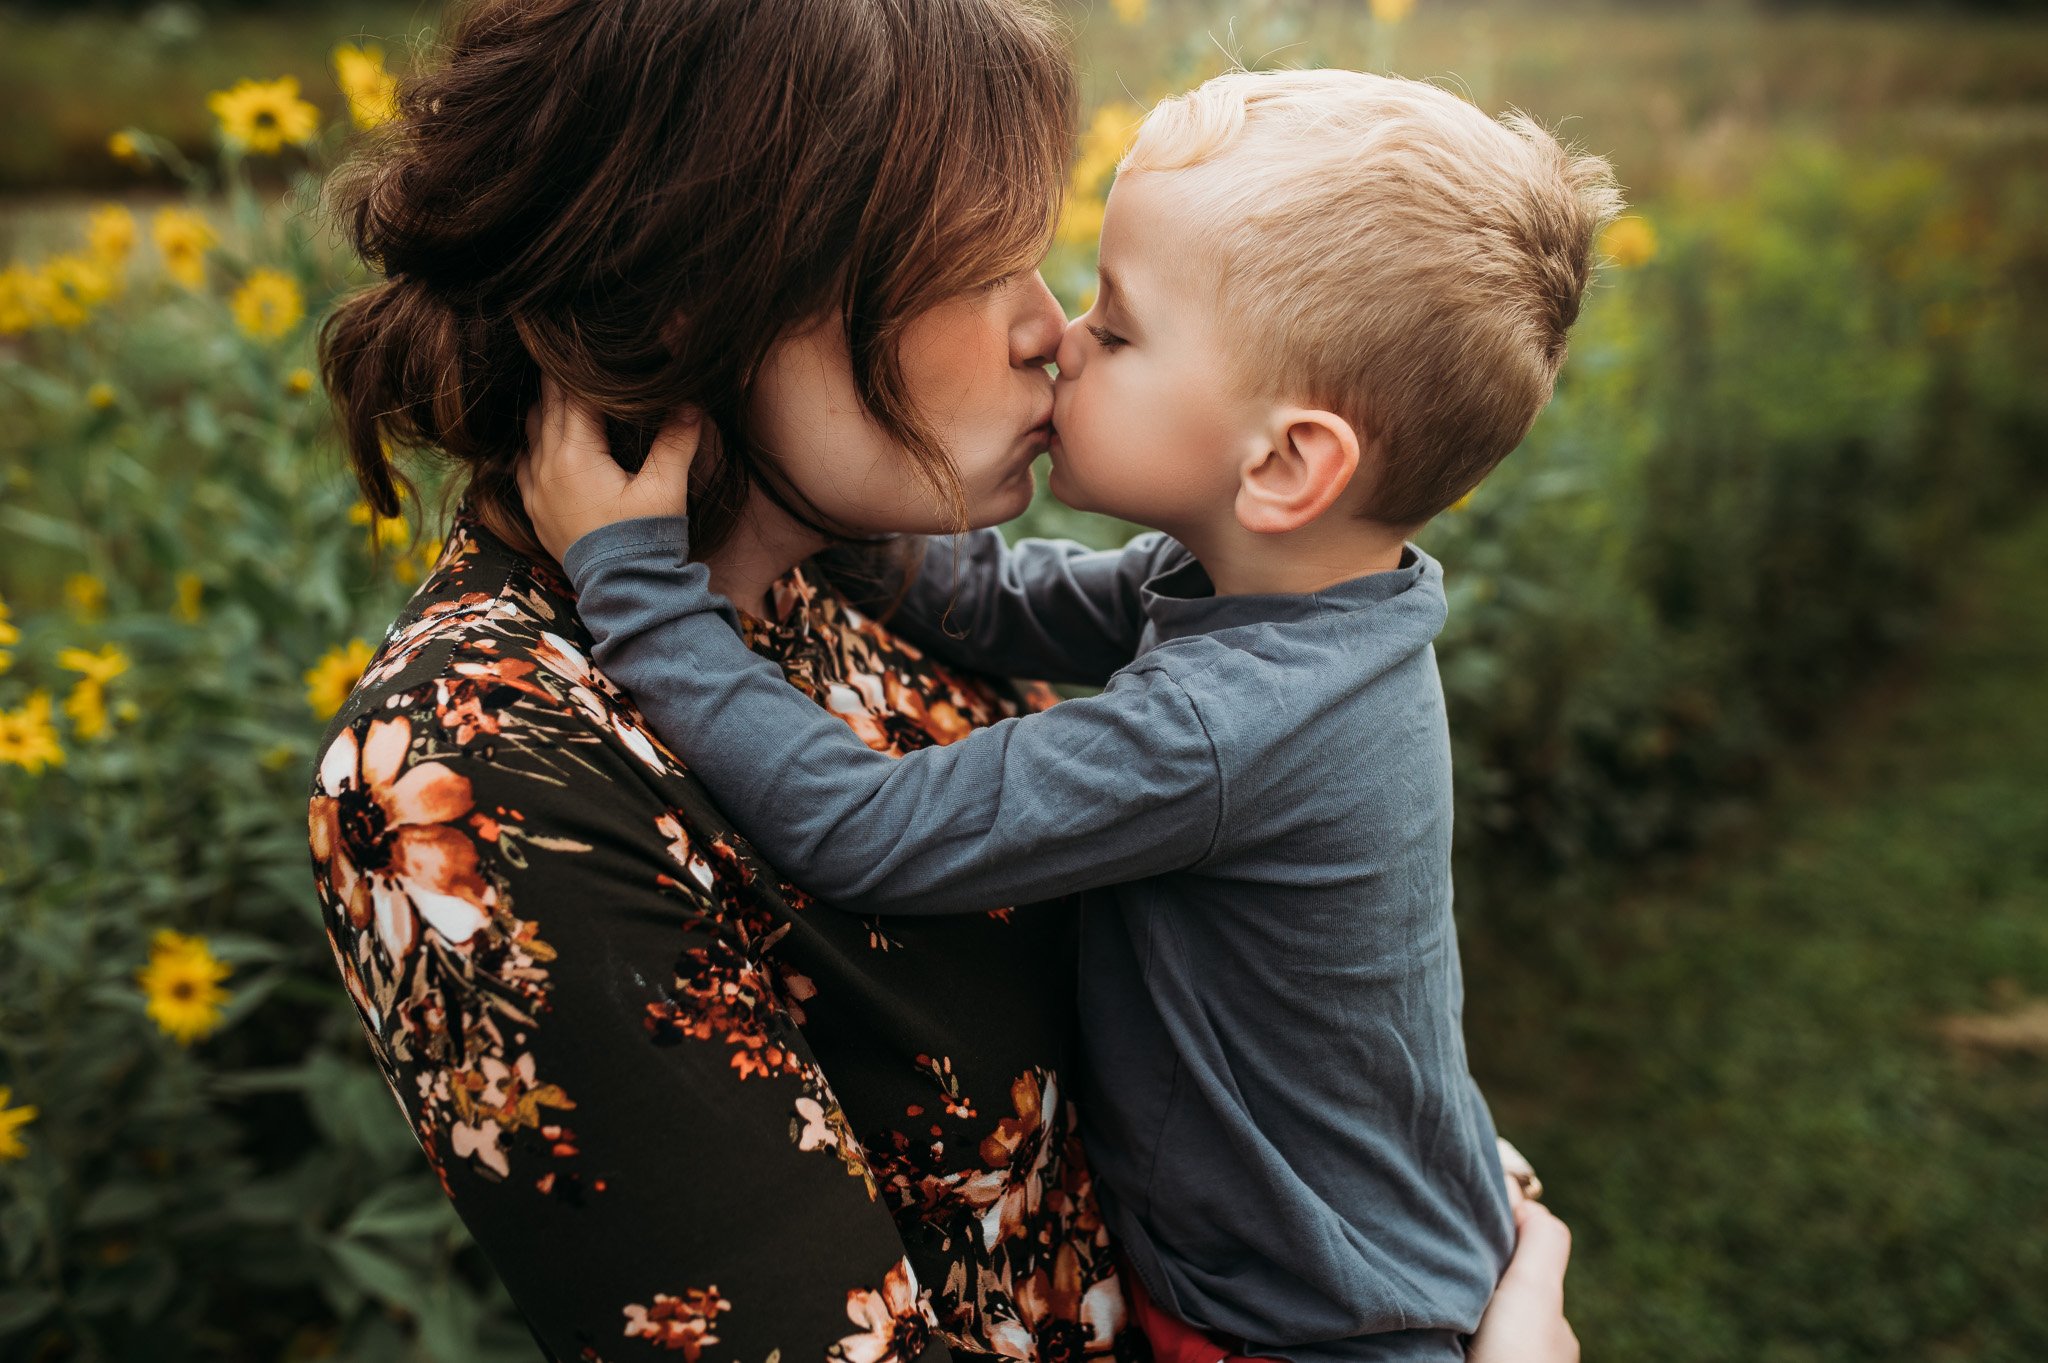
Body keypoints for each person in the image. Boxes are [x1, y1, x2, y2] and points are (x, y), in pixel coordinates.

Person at [303, 0, 1583, 1352]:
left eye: (1099, 307)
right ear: (717, 300)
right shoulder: (482, 764)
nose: (1052, 331)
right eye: (985, 268)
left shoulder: (856, 589)